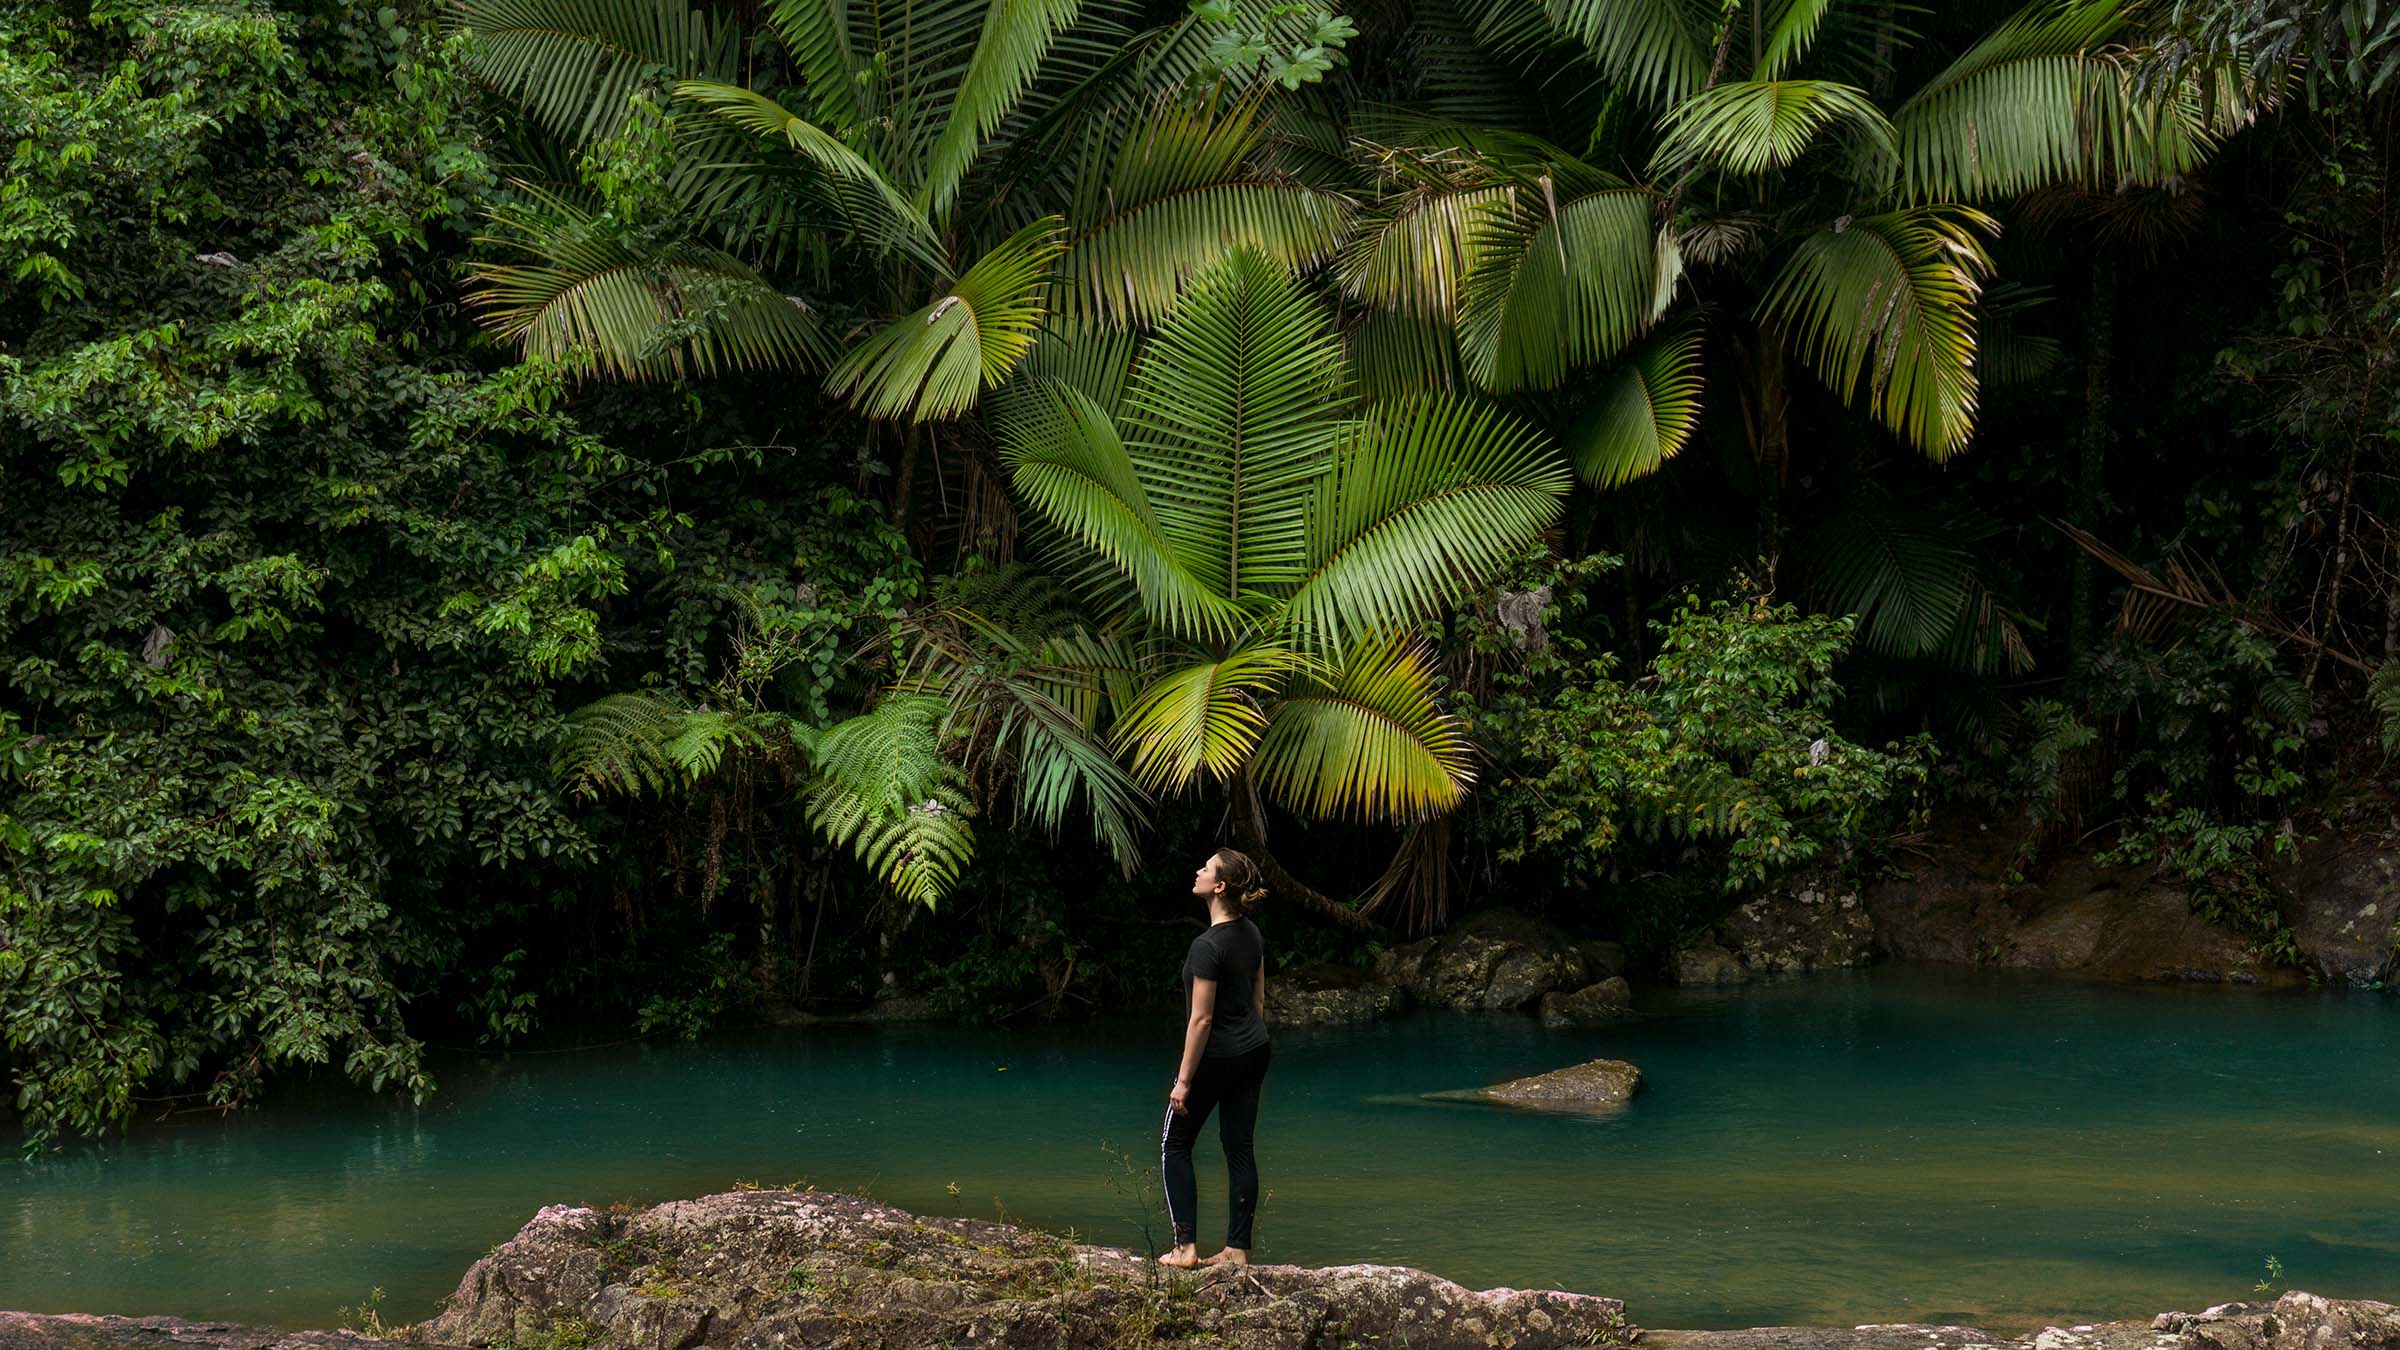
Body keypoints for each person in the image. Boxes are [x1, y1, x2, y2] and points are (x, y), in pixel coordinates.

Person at [1158, 847, 1272, 1269]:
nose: (1197, 870)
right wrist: (1246, 1042)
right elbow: (1259, 1002)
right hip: (1254, 1050)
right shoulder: (1252, 934)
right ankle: (1237, 1250)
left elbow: (1200, 1020)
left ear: (1219, 886)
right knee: (1239, 1148)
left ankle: (1185, 1248)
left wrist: (1184, 1081)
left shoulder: (1206, 946)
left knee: (1175, 1144)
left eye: (1205, 868)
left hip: (1216, 1056)